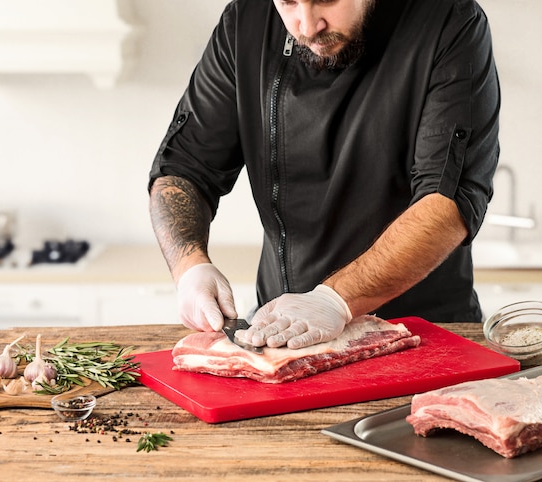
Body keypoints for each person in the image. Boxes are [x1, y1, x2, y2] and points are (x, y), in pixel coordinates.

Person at [148, 0, 500, 351]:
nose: (306, 25)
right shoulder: (246, 21)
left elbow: (447, 200)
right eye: (288, 2)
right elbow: (184, 167)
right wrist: (190, 266)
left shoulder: (449, 21)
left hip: (425, 334)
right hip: (283, 337)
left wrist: (335, 300)